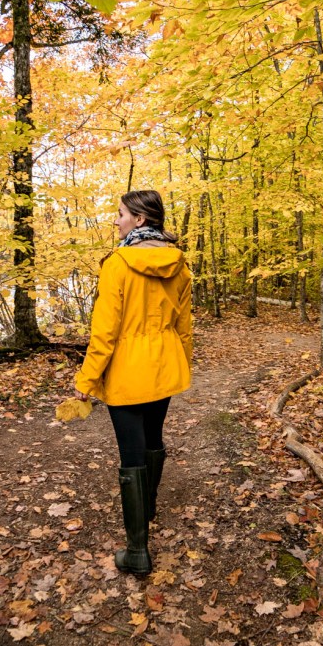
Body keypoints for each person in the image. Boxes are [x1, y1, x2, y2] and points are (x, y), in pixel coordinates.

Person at [74, 189, 193, 575]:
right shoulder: (180, 264)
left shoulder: (118, 264)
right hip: (165, 365)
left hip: (127, 369)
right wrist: (180, 363)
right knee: (153, 437)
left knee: (132, 453)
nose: (116, 219)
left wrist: (86, 380)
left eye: (121, 213)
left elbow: (105, 332)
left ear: (140, 219)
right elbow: (184, 327)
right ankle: (150, 506)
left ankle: (137, 549)